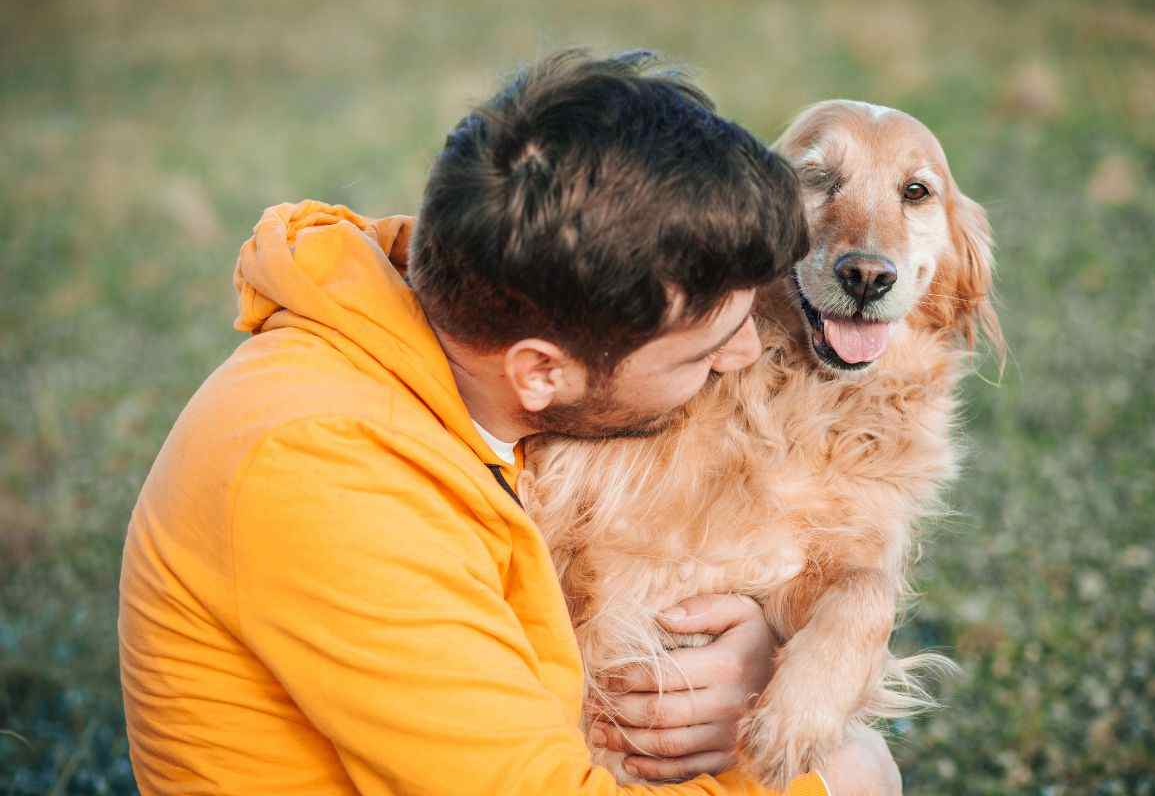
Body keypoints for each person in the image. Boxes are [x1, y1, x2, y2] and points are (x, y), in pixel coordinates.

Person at [118, 49, 901, 795]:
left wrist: (760, 661)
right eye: (703, 351)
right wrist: (835, 779)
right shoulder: (325, 478)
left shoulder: (488, 325)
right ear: (540, 372)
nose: (744, 356)